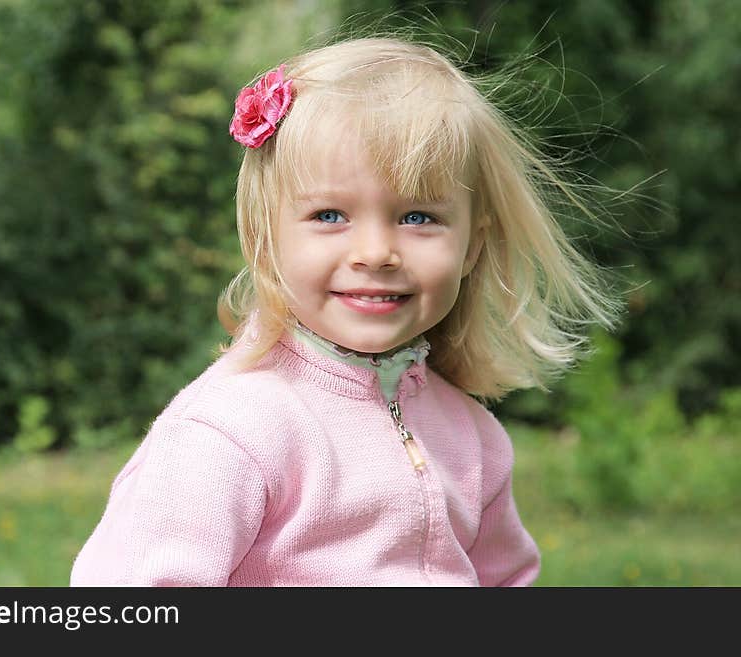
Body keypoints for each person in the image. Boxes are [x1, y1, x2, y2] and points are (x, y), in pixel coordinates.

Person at [70, 36, 618, 586]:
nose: (376, 252)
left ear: (472, 246)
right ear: (266, 239)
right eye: (331, 215)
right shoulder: (232, 432)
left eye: (418, 216)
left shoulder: (474, 440)